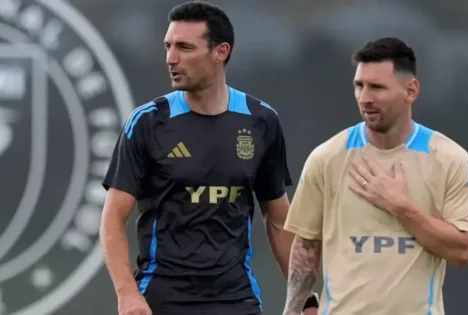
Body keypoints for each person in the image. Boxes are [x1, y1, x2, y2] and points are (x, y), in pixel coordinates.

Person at [99, 1, 318, 315]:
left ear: (221, 52)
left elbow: (279, 219)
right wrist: (127, 295)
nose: (171, 58)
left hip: (236, 299)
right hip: (162, 299)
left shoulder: (261, 120)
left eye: (185, 47)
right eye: (168, 46)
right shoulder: (148, 122)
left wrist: (305, 297)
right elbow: (112, 219)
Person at [282, 37, 468, 315]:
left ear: (411, 90)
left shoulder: (449, 159)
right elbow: (306, 247)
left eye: (377, 87)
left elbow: (463, 251)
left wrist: (401, 208)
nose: (365, 98)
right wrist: (292, 310)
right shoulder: (327, 158)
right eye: (359, 86)